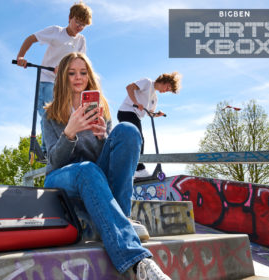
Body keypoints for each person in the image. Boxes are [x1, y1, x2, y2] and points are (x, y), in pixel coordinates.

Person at [43, 52, 171, 280]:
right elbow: (54, 161)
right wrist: (69, 133)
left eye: (83, 72)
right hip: (61, 178)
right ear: (63, 77)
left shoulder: (99, 108)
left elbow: (105, 164)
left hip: (92, 176)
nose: (78, 78)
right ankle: (139, 260)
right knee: (86, 169)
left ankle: (120, 216)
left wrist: (102, 138)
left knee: (128, 131)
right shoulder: (51, 114)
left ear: (89, 76)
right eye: (71, 73)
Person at [16, 2, 92, 155]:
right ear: (70, 18)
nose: (79, 26)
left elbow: (79, 61)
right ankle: (48, 149)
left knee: (62, 114)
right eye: (77, 22)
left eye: (83, 25)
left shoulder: (81, 40)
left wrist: (66, 69)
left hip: (64, 84)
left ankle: (61, 145)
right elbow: (31, 39)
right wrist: (21, 56)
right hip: (47, 78)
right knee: (47, 113)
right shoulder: (55, 32)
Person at [117, 72, 181, 178]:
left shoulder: (154, 99)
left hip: (135, 116)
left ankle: (128, 168)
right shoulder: (147, 82)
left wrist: (157, 115)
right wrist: (136, 102)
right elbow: (129, 87)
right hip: (127, 112)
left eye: (168, 90)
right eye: (167, 87)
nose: (166, 91)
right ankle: (138, 168)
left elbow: (149, 113)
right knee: (138, 139)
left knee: (133, 141)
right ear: (164, 81)